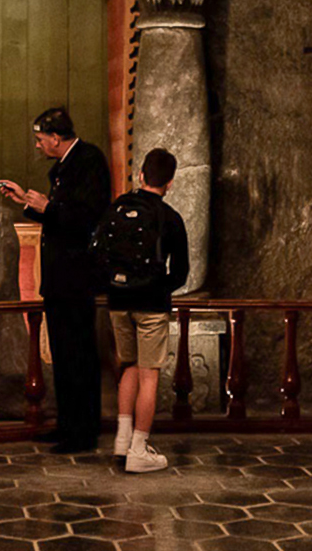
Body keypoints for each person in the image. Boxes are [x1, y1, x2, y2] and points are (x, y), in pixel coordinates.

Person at [0, 107, 112, 454]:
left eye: (39, 140)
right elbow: (60, 215)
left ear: (56, 138)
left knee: (78, 354)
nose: (37, 146)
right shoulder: (63, 167)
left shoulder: (88, 161)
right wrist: (26, 202)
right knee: (63, 354)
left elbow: (88, 216)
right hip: (61, 277)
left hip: (77, 276)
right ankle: (67, 424)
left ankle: (83, 431)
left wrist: (48, 208)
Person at [99, 148, 188, 473]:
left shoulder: (118, 207)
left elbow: (99, 252)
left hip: (118, 300)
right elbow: (181, 272)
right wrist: (156, 289)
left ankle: (121, 440)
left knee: (129, 367)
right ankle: (139, 447)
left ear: (140, 175)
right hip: (150, 304)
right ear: (171, 183)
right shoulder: (170, 218)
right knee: (149, 375)